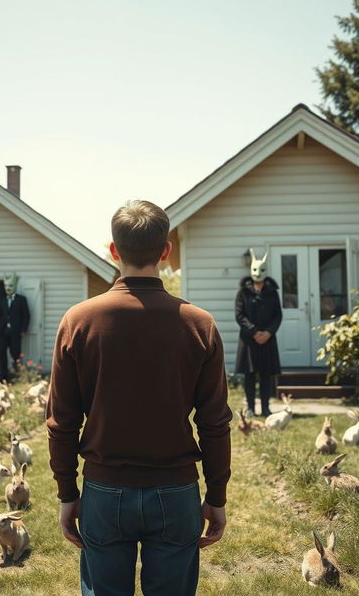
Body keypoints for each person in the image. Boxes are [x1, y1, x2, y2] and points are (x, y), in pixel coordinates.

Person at [47, 200, 232, 596]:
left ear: (113, 251)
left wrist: (68, 493)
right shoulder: (200, 325)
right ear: (165, 251)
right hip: (176, 492)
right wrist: (216, 495)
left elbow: (62, 422)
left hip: (103, 490)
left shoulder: (78, 322)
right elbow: (214, 422)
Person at [234, 249, 282, 417]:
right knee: (249, 376)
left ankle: (266, 407)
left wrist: (268, 332)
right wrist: (254, 332)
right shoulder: (243, 292)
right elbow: (239, 315)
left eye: (261, 269)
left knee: (265, 375)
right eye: (255, 269)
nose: (258, 273)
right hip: (249, 340)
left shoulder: (272, 292)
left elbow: (278, 315)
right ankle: (251, 409)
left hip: (267, 340)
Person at [0, 273, 30, 382]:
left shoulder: (21, 300)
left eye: (10, 286)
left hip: (15, 332)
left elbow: (26, 316)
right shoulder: (2, 300)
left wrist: (23, 330)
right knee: (1, 355)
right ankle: (3, 378)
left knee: (15, 354)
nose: (8, 288)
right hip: (3, 332)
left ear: (15, 286)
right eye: (6, 286)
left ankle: (16, 377)